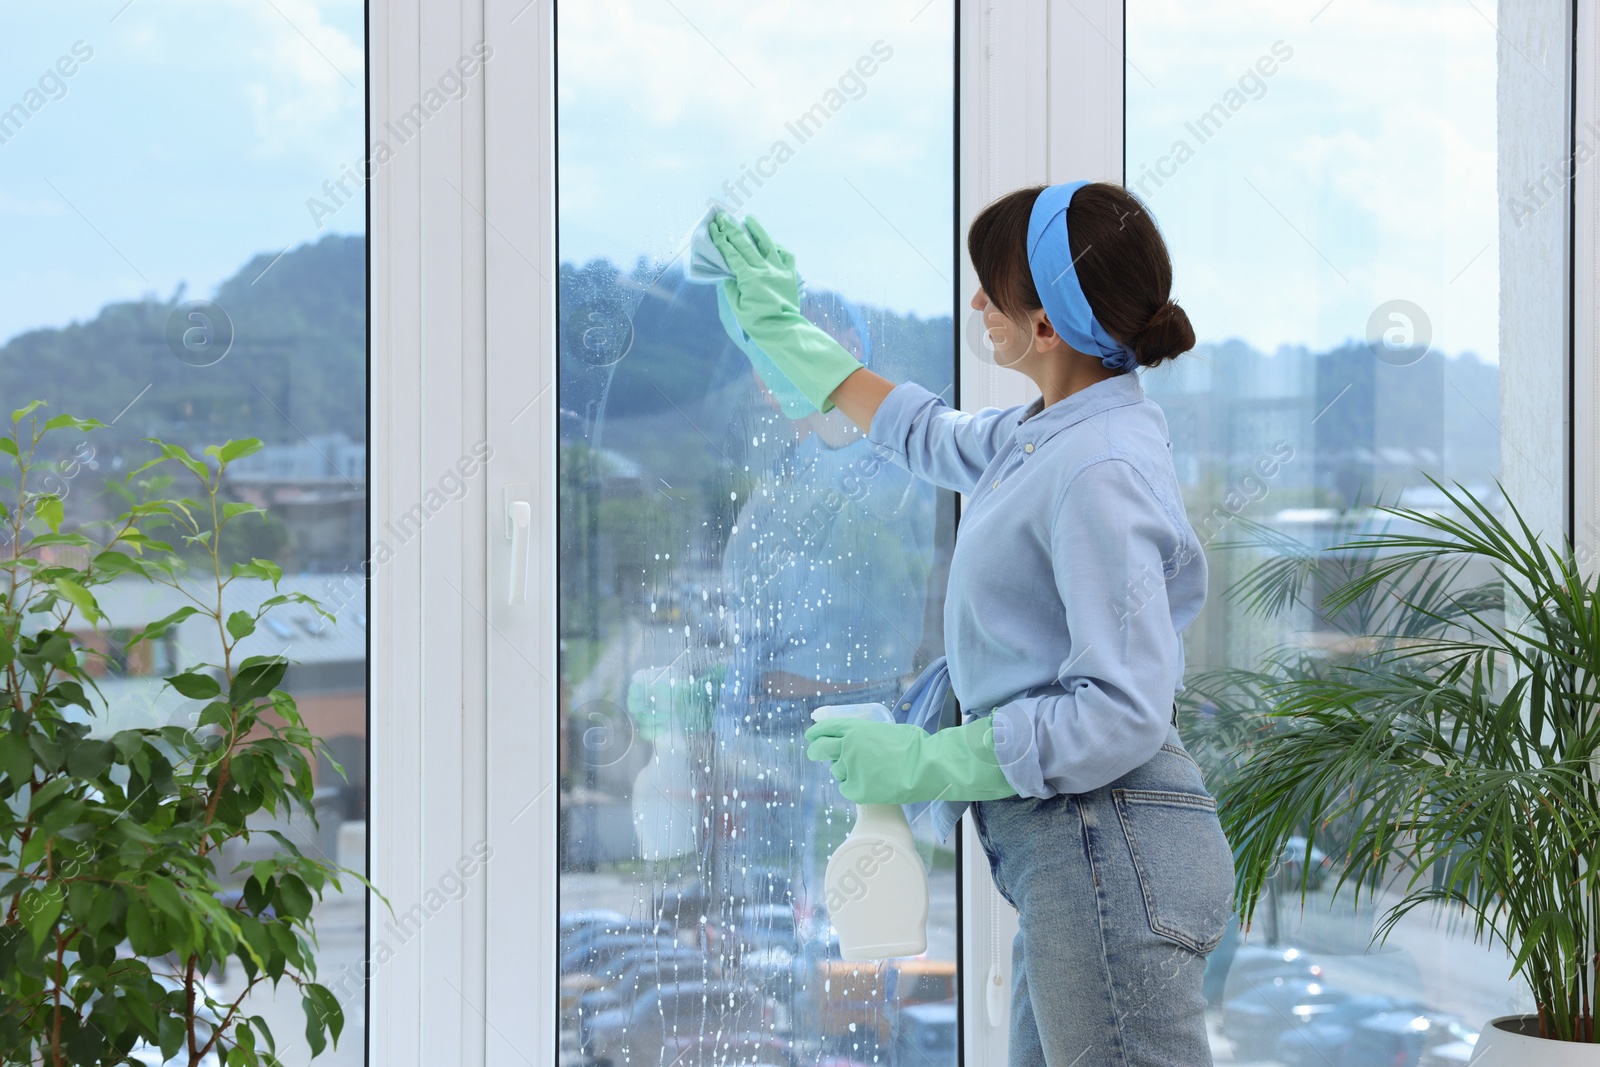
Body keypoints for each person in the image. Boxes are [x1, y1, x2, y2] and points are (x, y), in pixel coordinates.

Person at [707, 182, 1236, 1067]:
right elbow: (924, 433)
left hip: (1110, 840)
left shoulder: (1095, 467)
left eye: (993, 287)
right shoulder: (1052, 431)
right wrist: (784, 332)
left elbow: (1121, 709)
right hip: (1089, 845)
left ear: (1047, 327)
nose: (977, 304)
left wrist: (935, 759)